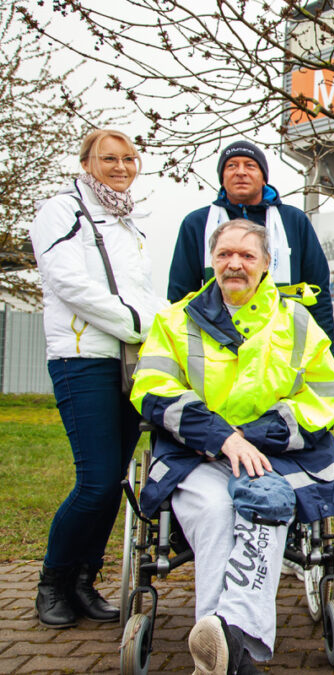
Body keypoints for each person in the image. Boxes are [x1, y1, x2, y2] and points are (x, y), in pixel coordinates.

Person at [131, 219, 334, 672]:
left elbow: (323, 397)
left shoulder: (297, 322)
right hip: (197, 457)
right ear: (212, 260)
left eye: (247, 256)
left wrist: (251, 437)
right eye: (226, 254)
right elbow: (152, 390)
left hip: (275, 457)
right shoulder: (175, 320)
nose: (235, 264)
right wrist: (223, 438)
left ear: (267, 265)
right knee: (215, 511)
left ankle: (222, 645)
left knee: (264, 505)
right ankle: (235, 650)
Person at [29, 129, 165, 628]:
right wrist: (136, 321)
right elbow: (67, 282)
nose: (120, 165)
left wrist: (166, 323)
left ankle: (85, 582)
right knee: (96, 480)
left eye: (129, 158)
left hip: (127, 363)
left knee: (114, 484)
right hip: (81, 358)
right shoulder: (62, 210)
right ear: (86, 161)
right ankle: (53, 581)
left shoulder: (128, 221)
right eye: (109, 158)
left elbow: (142, 291)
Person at [168, 140, 334, 341]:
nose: (240, 172)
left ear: (263, 177)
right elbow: (180, 294)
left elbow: (318, 292)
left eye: (250, 165)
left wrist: (326, 349)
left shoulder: (293, 221)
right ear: (222, 177)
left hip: (282, 338)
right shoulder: (197, 223)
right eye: (232, 165)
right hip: (214, 340)